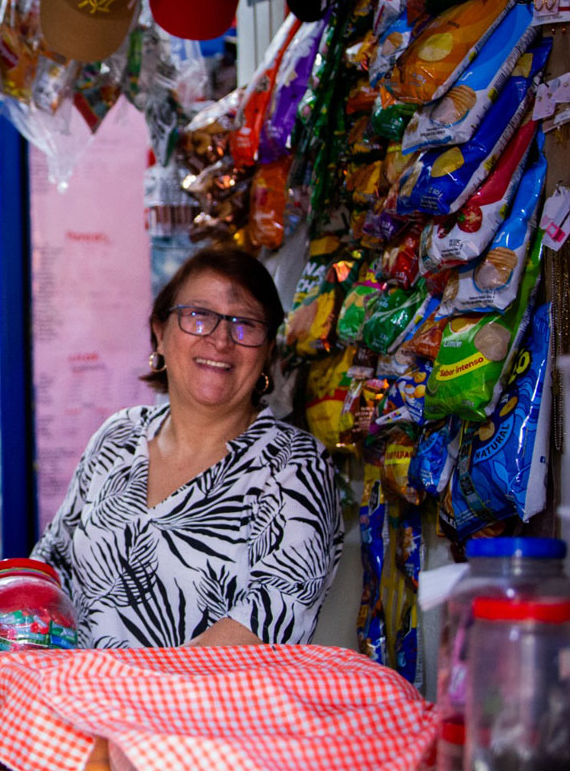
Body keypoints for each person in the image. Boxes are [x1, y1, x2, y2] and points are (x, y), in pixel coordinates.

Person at [32, 248, 343, 649]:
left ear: (267, 353)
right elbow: (50, 568)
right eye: (199, 316)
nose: (220, 340)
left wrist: (134, 696)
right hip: (85, 703)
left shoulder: (295, 465)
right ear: (160, 333)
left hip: (207, 710)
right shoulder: (117, 437)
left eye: (245, 324)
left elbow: (274, 617)